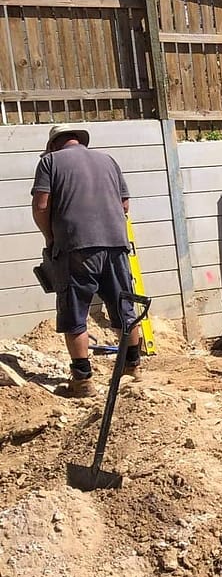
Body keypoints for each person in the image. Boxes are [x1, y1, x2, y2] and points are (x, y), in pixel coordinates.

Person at [31, 123, 143, 398]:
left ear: (53, 144)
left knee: (75, 314)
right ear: (79, 141)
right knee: (124, 307)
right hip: (116, 245)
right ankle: (133, 367)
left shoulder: (50, 162)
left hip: (75, 247)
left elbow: (41, 206)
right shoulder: (108, 160)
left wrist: (51, 237)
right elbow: (124, 204)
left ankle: (83, 381)